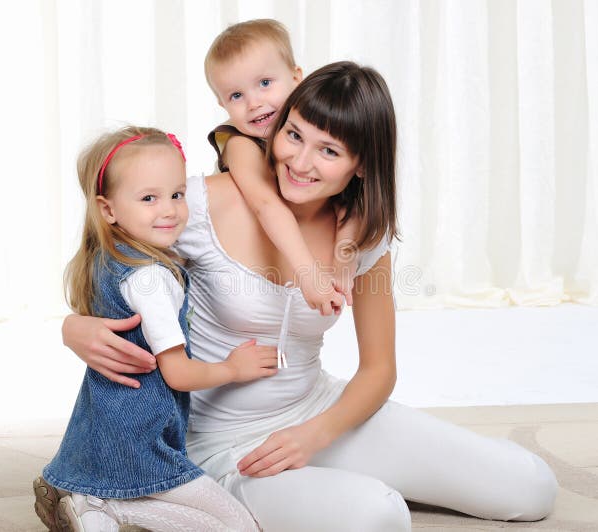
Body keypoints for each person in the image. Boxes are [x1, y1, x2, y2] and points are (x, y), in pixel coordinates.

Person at [51, 63, 558, 530]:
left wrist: (314, 436)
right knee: (379, 517)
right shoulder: (202, 204)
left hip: (319, 411)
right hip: (222, 444)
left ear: (361, 166)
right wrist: (74, 325)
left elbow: (379, 371)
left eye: (329, 151)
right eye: (293, 135)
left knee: (531, 487)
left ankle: (329, 477)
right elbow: (115, 254)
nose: (299, 160)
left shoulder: (362, 235)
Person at [36, 126, 271, 532]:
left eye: (177, 194)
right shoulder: (151, 279)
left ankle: (93, 503)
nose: (169, 209)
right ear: (108, 209)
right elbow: (177, 373)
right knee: (239, 527)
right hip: (141, 441)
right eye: (149, 198)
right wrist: (234, 368)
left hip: (105, 428)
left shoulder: (108, 258)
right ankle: (109, 510)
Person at [204, 19, 359, 318]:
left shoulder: (316, 127)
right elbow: (265, 204)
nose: (254, 103)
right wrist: (309, 273)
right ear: (222, 104)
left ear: (296, 77)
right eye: (236, 95)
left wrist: (344, 257)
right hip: (244, 251)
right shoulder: (238, 142)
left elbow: (356, 200)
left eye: (264, 83)